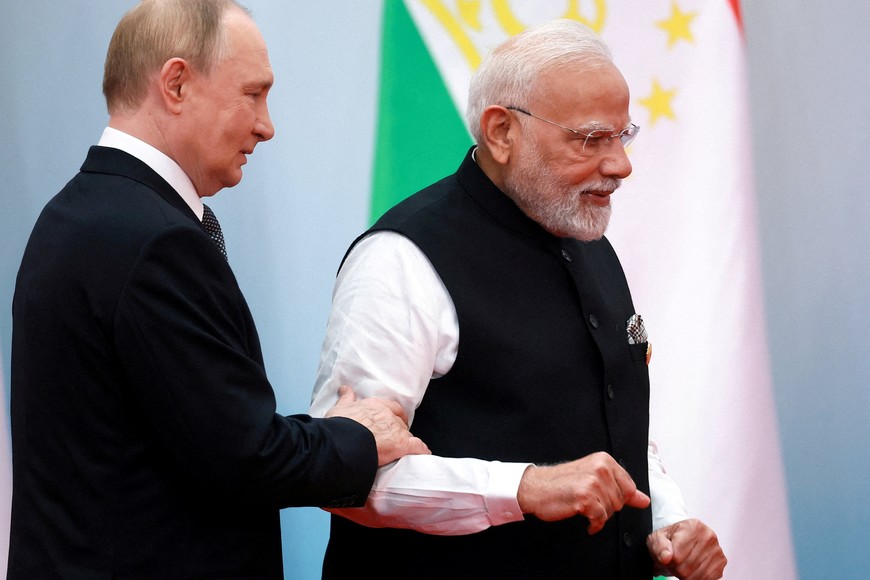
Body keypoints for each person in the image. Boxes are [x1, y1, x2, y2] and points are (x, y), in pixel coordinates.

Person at [7, 1, 428, 578]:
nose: (267, 124)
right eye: (253, 94)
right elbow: (245, 456)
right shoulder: (153, 240)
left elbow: (193, 434)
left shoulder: (78, 213)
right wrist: (357, 438)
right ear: (176, 83)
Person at [309, 19, 727, 580]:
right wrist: (524, 488)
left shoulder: (587, 238)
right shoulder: (401, 259)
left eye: (623, 137)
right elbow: (346, 478)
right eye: (591, 138)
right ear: (502, 132)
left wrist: (666, 522)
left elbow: (611, 432)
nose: (621, 166)